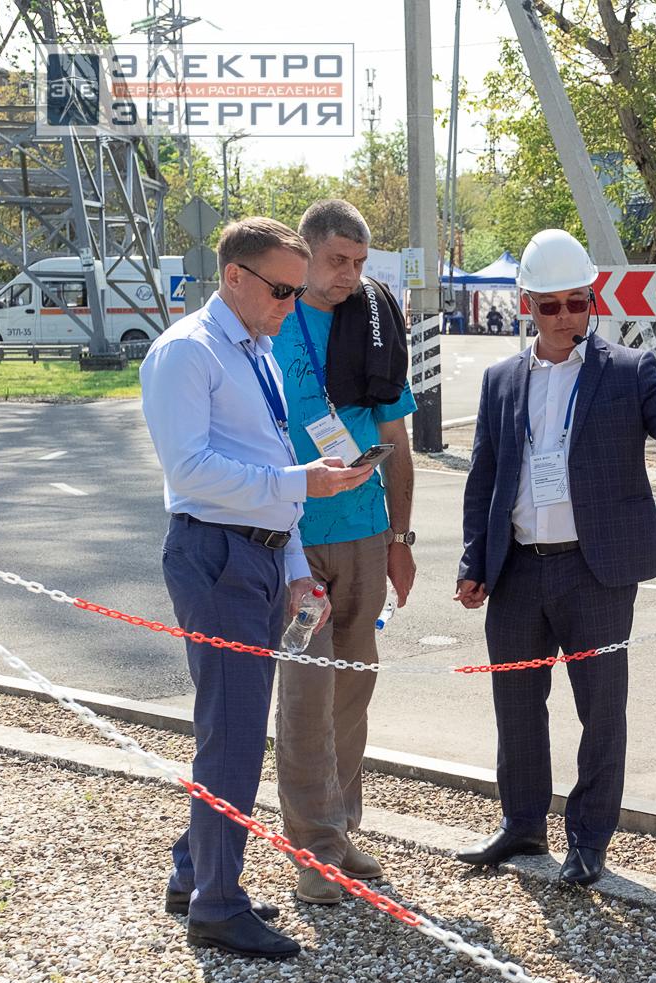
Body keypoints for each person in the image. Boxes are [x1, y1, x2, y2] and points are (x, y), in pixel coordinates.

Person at [453, 229, 656, 886]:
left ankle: (589, 839)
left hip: (594, 570)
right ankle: (521, 823)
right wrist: (472, 563)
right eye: (552, 306)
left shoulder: (628, 372)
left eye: (579, 303)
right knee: (515, 701)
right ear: (526, 305)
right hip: (515, 569)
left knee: (599, 708)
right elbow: (484, 477)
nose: (568, 316)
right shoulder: (501, 381)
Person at [140, 217, 376, 959]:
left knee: (235, 725)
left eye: (295, 289)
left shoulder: (259, 351)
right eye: (281, 288)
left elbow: (273, 469)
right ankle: (217, 903)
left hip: (260, 554)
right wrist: (296, 483)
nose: (290, 302)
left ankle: (194, 872)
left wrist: (297, 563)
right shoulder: (188, 352)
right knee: (234, 732)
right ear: (235, 277)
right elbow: (191, 474)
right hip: (216, 554)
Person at [269, 199, 417, 905]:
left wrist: (401, 538)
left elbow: (400, 441)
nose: (349, 276)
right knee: (304, 696)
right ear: (306, 253)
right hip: (292, 539)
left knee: (351, 692)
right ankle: (313, 850)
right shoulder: (271, 318)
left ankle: (340, 829)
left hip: (363, 535)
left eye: (359, 263)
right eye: (337, 262)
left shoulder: (376, 317)